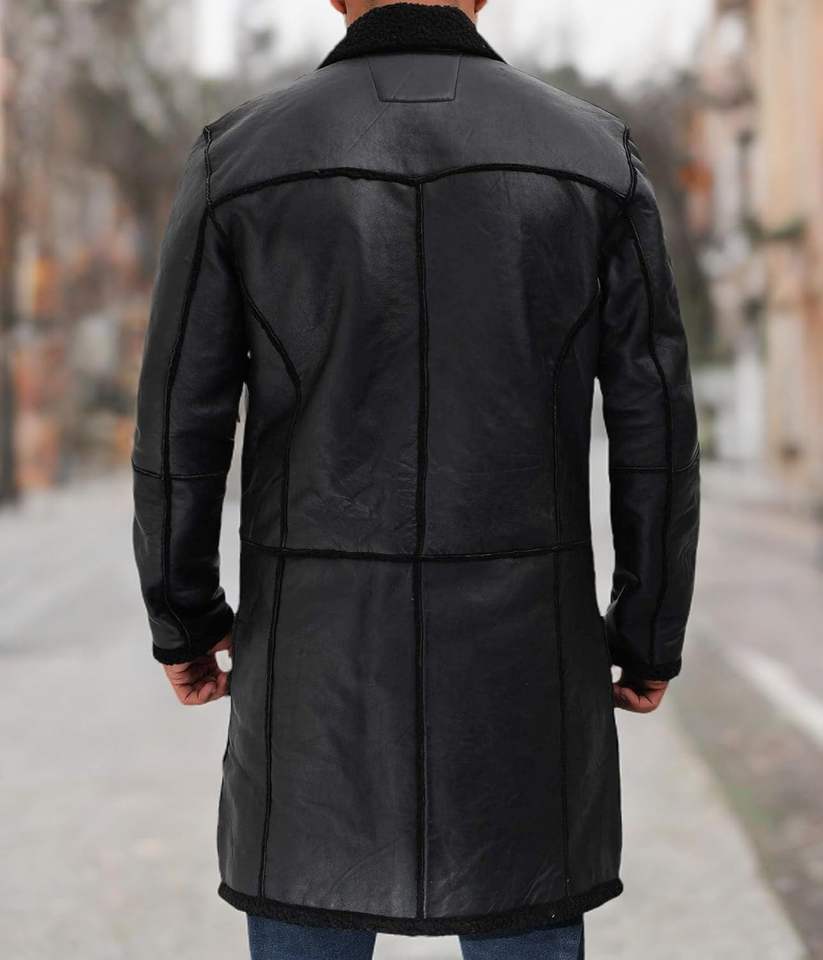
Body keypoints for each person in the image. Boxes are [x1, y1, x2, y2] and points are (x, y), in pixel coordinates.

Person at [130, 1, 701, 957]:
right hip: (524, 663)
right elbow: (656, 429)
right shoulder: (593, 157)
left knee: (305, 897)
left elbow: (178, 427)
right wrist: (647, 633)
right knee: (525, 907)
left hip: (313, 669)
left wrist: (183, 619)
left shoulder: (240, 159)